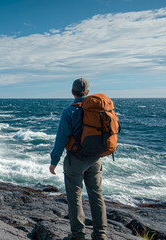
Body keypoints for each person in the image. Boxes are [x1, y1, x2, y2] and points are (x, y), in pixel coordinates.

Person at [50, 78, 107, 240]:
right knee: (97, 196)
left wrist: (54, 161)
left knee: (75, 197)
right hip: (95, 159)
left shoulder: (69, 111)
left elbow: (61, 138)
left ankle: (78, 235)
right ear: (87, 92)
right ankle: (100, 234)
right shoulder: (98, 110)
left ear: (72, 92)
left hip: (75, 160)